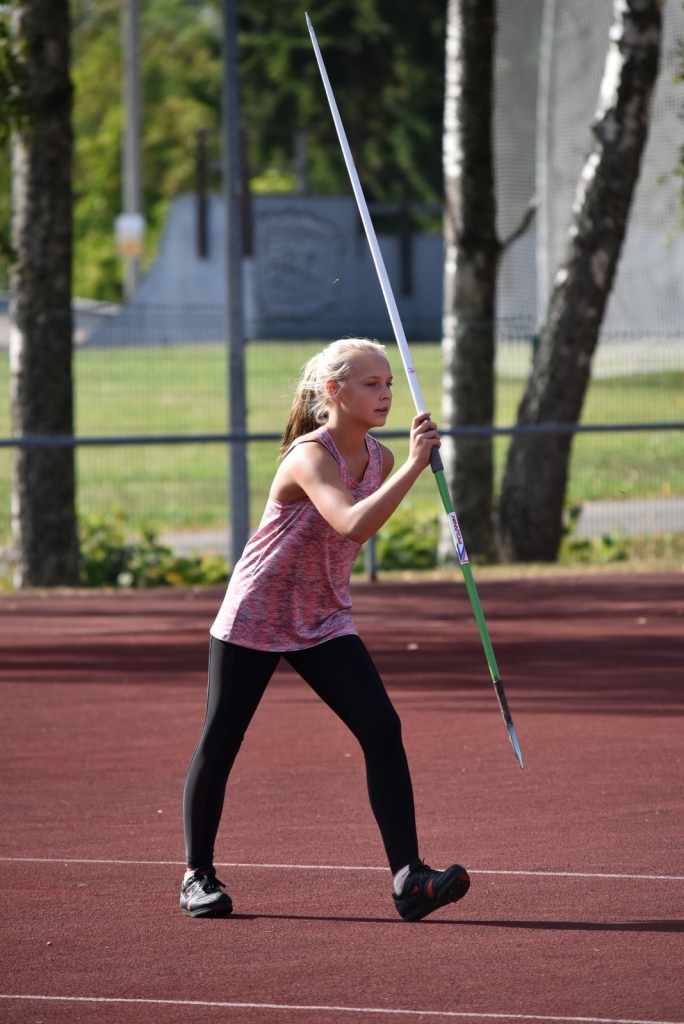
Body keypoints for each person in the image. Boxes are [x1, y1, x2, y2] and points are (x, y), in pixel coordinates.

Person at [180, 338, 470, 923]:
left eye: (389, 383)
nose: (387, 394)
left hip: (323, 615)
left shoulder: (381, 457)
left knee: (381, 727)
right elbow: (351, 525)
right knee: (223, 739)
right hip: (257, 612)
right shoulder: (308, 457)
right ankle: (197, 876)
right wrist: (417, 464)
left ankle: (409, 878)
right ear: (334, 391)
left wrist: (408, 467)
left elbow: (359, 524)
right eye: (371, 384)